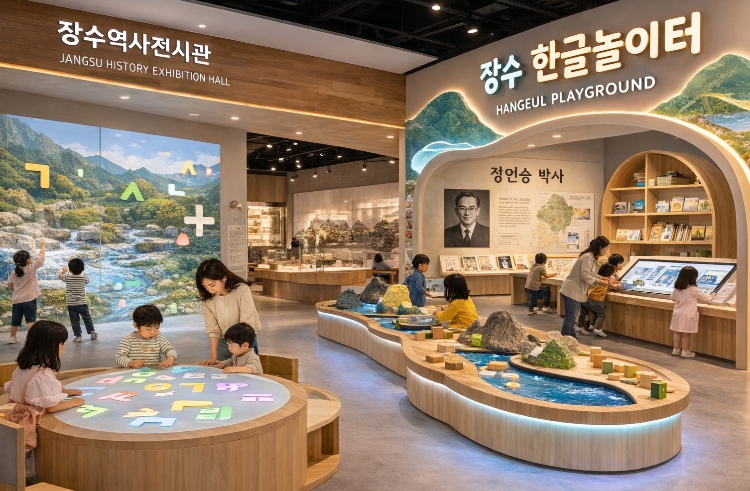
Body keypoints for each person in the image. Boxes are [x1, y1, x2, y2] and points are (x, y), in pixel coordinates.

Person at [4, 320, 85, 476]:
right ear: (52, 346)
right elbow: (52, 407)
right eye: (62, 343)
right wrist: (75, 402)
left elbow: (30, 390)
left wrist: (63, 391)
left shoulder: (22, 367)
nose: (64, 347)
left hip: (15, 412)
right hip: (30, 420)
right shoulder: (43, 374)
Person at [196, 258, 261, 365]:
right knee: (222, 372)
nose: (209, 290)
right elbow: (212, 329)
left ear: (224, 278)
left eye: (212, 285)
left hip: (245, 341)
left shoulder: (242, 290)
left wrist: (238, 353)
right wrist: (213, 356)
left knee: (247, 372)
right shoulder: (207, 299)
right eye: (205, 286)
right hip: (224, 342)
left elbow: (247, 324)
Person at [559, 236, 614, 339]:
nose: (607, 250)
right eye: (606, 247)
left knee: (571, 318)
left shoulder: (591, 257)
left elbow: (590, 273)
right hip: (571, 291)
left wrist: (602, 278)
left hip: (576, 291)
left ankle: (571, 339)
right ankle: (564, 340)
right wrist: (601, 282)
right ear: (600, 247)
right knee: (570, 318)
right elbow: (585, 275)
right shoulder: (588, 257)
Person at [670, 266, 717, 358]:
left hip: (677, 313)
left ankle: (676, 350)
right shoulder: (693, 289)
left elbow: (672, 298)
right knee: (686, 334)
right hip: (687, 314)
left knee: (677, 332)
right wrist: (712, 296)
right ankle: (685, 351)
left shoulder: (677, 288)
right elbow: (704, 297)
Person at [7, 240, 46, 344]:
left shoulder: (14, 272)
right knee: (30, 320)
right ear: (28, 260)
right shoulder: (31, 268)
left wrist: (16, 289)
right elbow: (41, 257)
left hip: (17, 300)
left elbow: (9, 284)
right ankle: (31, 339)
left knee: (15, 320)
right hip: (29, 299)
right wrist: (43, 246)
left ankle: (12, 337)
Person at [58, 258, 98, 343]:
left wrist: (63, 271)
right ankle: (92, 332)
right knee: (87, 318)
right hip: (82, 303)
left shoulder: (67, 277)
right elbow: (87, 281)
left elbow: (60, 276)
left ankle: (78, 336)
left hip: (71, 304)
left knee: (74, 320)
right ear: (83, 269)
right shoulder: (84, 277)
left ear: (70, 270)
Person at [577, 263, 616, 337]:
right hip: (597, 300)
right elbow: (613, 286)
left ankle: (590, 325)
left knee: (592, 311)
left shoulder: (595, 278)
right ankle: (598, 329)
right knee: (601, 314)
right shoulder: (606, 280)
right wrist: (619, 284)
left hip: (588, 298)